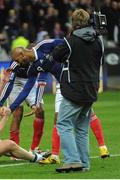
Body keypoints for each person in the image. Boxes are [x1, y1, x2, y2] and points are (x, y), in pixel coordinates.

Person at [49, 9, 104, 172]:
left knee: (63, 124)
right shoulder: (98, 41)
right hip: (91, 89)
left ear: (73, 22)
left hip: (74, 89)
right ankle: (84, 164)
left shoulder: (70, 41)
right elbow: (99, 61)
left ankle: (73, 160)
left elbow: (56, 56)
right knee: (81, 128)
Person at [36, 81, 109, 165]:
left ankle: (58, 156)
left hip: (66, 86)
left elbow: (44, 74)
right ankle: (102, 147)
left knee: (61, 120)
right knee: (88, 113)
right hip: (79, 85)